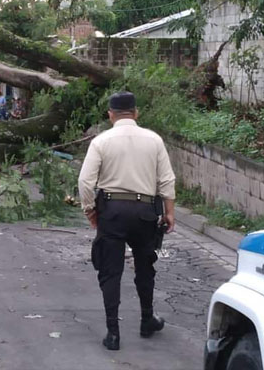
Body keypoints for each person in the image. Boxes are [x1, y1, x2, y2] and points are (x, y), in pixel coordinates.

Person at [77, 91, 176, 351]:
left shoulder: (101, 141)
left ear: (110, 115)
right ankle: (146, 320)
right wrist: (169, 212)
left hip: (112, 211)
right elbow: (167, 180)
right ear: (136, 112)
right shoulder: (154, 140)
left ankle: (113, 333)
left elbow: (85, 181)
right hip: (145, 211)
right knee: (145, 267)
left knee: (111, 271)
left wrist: (90, 210)